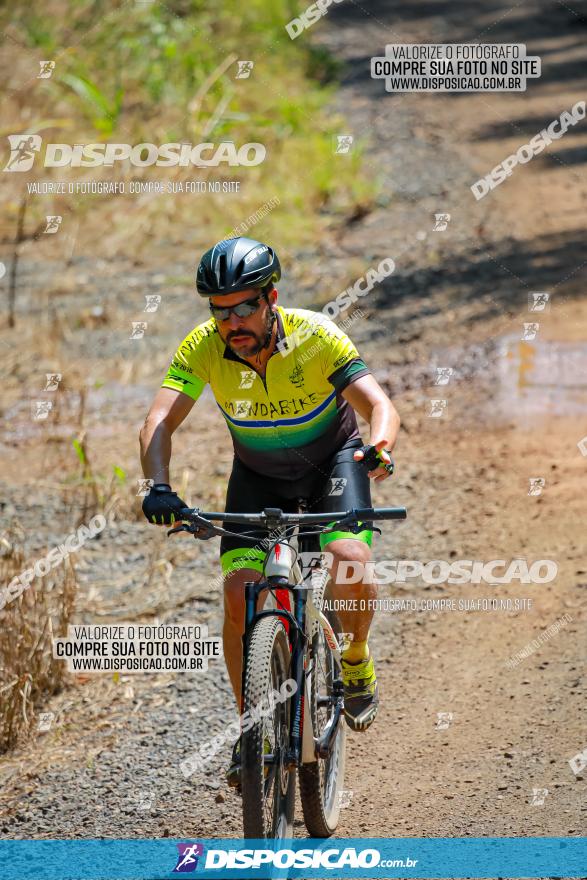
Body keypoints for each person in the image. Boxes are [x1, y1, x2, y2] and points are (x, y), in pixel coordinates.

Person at [139, 236, 400, 785]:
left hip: (332, 462)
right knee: (238, 594)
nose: (231, 319)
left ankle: (355, 659)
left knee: (349, 555)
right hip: (257, 478)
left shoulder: (316, 336)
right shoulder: (203, 348)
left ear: (271, 297)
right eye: (219, 308)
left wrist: (380, 447)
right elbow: (160, 420)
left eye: (244, 306)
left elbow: (378, 404)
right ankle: (250, 732)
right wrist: (157, 486)